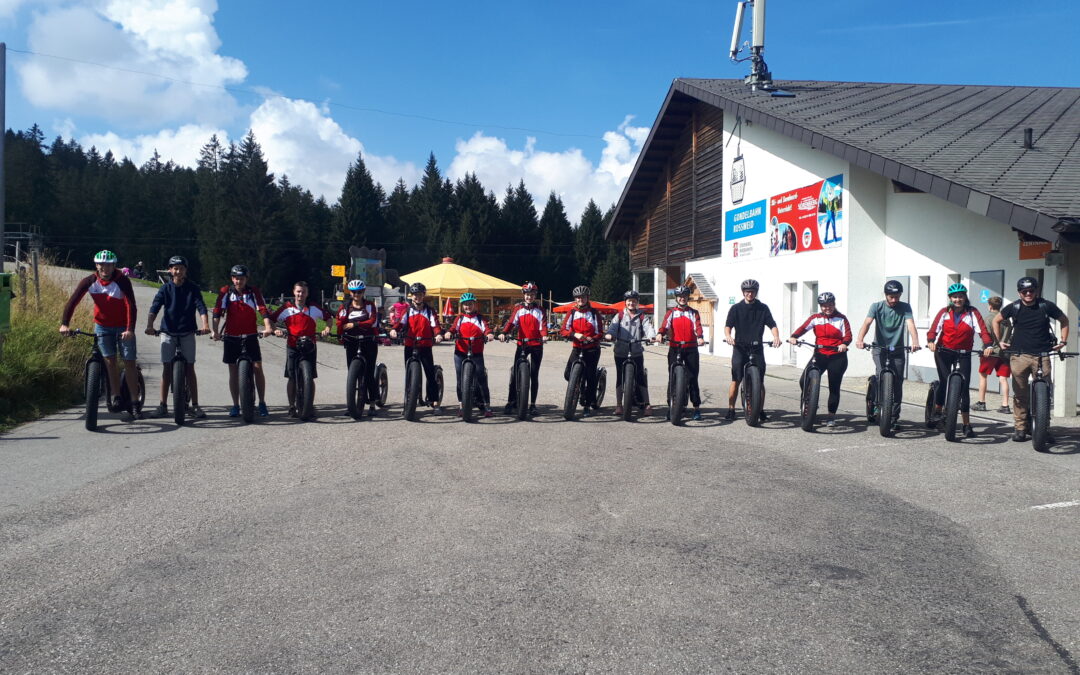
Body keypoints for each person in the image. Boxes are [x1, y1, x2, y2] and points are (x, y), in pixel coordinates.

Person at [60, 249, 141, 420]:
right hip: (102, 326)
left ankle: (135, 402)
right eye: (101, 264)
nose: (105, 268)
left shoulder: (122, 281)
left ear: (114, 266)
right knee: (110, 361)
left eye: (109, 265)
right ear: (96, 265)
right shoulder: (89, 281)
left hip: (123, 326)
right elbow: (73, 302)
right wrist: (65, 324)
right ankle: (116, 396)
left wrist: (130, 329)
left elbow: (131, 306)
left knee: (129, 361)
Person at [993, 276, 1070, 442]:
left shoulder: (1046, 305)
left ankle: (1044, 428)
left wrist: (1063, 342)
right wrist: (999, 341)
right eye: (1024, 291)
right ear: (1019, 293)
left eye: (1031, 290)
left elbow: (1064, 320)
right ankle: (1020, 428)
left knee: (1044, 393)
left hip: (1042, 355)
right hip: (1019, 355)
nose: (1028, 293)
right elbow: (996, 320)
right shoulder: (1014, 307)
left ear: (1036, 291)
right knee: (1020, 394)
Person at [145, 255, 211, 418]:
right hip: (168, 332)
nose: (178, 271)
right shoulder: (165, 289)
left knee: (190, 368)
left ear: (186, 271)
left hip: (187, 332)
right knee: (166, 368)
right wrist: (149, 326)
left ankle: (195, 405)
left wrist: (205, 325)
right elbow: (155, 307)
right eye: (175, 268)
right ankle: (162, 405)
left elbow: (201, 307)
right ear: (170, 270)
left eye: (181, 268)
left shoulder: (193, 288)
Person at [926, 283, 991, 438]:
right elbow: (934, 329)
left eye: (960, 296)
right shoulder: (944, 312)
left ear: (965, 297)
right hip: (944, 351)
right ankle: (938, 410)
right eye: (954, 297)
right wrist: (931, 341)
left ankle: (966, 424)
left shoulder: (972, 312)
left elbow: (982, 330)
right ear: (950, 298)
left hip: (963, 353)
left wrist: (988, 344)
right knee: (944, 381)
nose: (957, 299)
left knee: (964, 387)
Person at [855, 280, 921, 430]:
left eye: (897, 297)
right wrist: (860, 339)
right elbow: (867, 323)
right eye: (891, 297)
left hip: (897, 350)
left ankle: (894, 417)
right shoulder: (876, 306)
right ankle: (877, 405)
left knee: (897, 382)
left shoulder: (905, 307)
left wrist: (915, 341)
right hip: (879, 348)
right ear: (885, 295)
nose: (894, 300)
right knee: (880, 376)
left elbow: (910, 324)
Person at [211, 264, 274, 418]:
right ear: (232, 279)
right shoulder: (226, 291)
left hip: (251, 335)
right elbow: (217, 311)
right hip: (231, 337)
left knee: (257, 367)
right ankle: (235, 405)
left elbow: (262, 309)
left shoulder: (253, 292)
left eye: (241, 278)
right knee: (233, 371)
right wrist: (215, 331)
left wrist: (267, 327)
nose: (238, 281)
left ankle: (262, 402)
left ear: (246, 279)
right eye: (236, 278)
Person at [788, 291, 852, 427]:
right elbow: (803, 328)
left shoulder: (841, 318)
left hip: (837, 356)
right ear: (820, 306)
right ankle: (811, 403)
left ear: (834, 304)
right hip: (820, 354)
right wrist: (794, 336)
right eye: (824, 306)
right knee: (803, 380)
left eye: (830, 305)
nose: (827, 308)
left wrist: (844, 344)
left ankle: (831, 416)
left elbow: (848, 335)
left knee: (834, 387)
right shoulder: (815, 318)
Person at [268, 281, 331, 418]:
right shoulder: (286, 308)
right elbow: (271, 320)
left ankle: (309, 405)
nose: (300, 294)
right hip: (293, 345)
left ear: (307, 293)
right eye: (298, 291)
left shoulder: (313, 307)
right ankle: (292, 406)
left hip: (310, 345)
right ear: (294, 292)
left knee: (311, 376)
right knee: (291, 377)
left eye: (303, 292)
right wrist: (275, 330)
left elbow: (328, 318)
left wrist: (327, 329)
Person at [724, 279, 782, 420]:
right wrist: (728, 336)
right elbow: (728, 326)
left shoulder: (763, 308)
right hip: (740, 348)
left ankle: (760, 410)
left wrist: (776, 337)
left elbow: (772, 324)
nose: (750, 294)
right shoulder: (736, 308)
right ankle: (731, 409)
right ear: (743, 292)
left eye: (752, 291)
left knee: (760, 382)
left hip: (757, 348)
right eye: (747, 291)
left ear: (756, 292)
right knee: (736, 379)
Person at [389, 282, 444, 412]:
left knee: (429, 374)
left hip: (425, 345)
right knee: (409, 376)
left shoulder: (429, 311)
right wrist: (394, 330)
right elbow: (400, 323)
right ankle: (408, 403)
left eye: (420, 294)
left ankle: (434, 401)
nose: (417, 297)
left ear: (423, 295)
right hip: (410, 344)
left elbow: (435, 325)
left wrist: (438, 334)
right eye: (415, 295)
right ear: (411, 296)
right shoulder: (407, 311)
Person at [500, 281, 548, 416]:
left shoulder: (540, 310)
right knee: (515, 373)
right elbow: (511, 323)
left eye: (532, 295)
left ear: (535, 296)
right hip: (522, 344)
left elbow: (543, 326)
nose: (529, 297)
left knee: (534, 374)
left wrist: (544, 335)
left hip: (537, 344)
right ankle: (511, 402)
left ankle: (532, 404)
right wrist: (504, 333)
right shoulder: (518, 309)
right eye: (527, 294)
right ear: (524, 295)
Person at [606, 290, 656, 417]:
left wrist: (651, 336)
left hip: (636, 351)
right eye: (629, 301)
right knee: (620, 377)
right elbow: (613, 327)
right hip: (620, 351)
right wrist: (610, 334)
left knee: (640, 377)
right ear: (625, 302)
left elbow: (648, 327)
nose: (631, 303)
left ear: (637, 302)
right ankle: (619, 405)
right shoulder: (619, 315)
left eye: (634, 301)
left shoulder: (642, 316)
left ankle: (647, 404)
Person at [658, 285, 705, 419]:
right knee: (672, 378)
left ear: (687, 298)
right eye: (680, 296)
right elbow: (665, 325)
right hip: (675, 347)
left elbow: (698, 327)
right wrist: (660, 334)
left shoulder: (693, 312)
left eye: (684, 296)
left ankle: (696, 408)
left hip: (691, 348)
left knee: (692, 378)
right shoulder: (671, 313)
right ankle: (672, 406)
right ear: (676, 298)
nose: (682, 298)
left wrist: (700, 337)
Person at [336, 279, 381, 415]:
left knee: (369, 373)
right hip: (352, 340)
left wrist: (355, 324)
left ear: (363, 292)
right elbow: (340, 322)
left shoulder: (369, 305)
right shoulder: (345, 307)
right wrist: (340, 336)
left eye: (359, 292)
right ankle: (351, 405)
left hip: (369, 340)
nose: (357, 294)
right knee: (352, 374)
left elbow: (372, 320)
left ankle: (372, 404)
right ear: (350, 293)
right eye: (354, 292)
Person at [444, 293, 494, 417]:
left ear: (475, 305)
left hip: (476, 352)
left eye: (470, 304)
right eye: (465, 304)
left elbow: (486, 328)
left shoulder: (480, 318)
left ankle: (487, 406)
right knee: (460, 379)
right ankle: (461, 405)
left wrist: (489, 334)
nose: (468, 306)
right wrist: (449, 333)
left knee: (481, 378)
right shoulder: (460, 318)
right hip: (460, 352)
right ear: (462, 306)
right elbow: (453, 328)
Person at [560, 285, 605, 416]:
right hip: (577, 347)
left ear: (587, 298)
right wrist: (574, 334)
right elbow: (563, 330)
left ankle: (587, 404)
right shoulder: (572, 312)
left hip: (591, 349)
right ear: (575, 299)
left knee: (590, 377)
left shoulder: (594, 313)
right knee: (568, 374)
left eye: (583, 297)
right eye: (578, 297)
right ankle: (578, 386)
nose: (580, 299)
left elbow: (600, 332)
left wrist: (593, 338)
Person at [975, 296, 1011, 413]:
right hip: (1004, 353)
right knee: (1003, 379)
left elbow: (986, 335)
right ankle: (1005, 405)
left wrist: (987, 347)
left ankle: (981, 402)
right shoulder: (1006, 320)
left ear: (990, 306)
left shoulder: (988, 319)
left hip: (990, 352)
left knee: (983, 376)